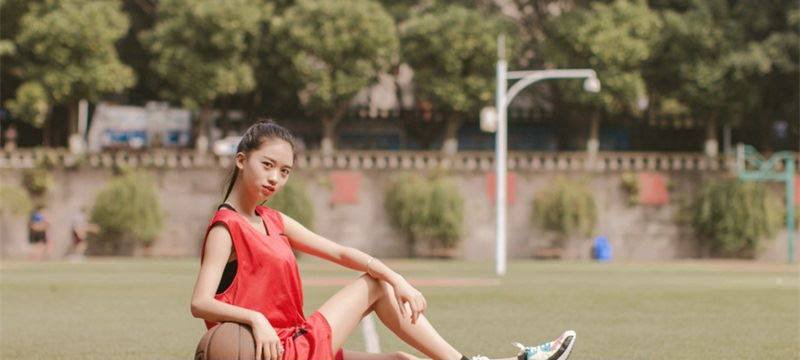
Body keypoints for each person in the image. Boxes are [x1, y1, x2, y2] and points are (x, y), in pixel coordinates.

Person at [190, 119, 576, 360]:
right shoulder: (226, 227)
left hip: (296, 341)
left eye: (285, 171)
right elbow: (200, 303)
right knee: (373, 284)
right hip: (280, 351)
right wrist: (255, 319)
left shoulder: (273, 221)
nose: (275, 178)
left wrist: (398, 278)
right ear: (241, 160)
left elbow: (340, 251)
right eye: (268, 165)